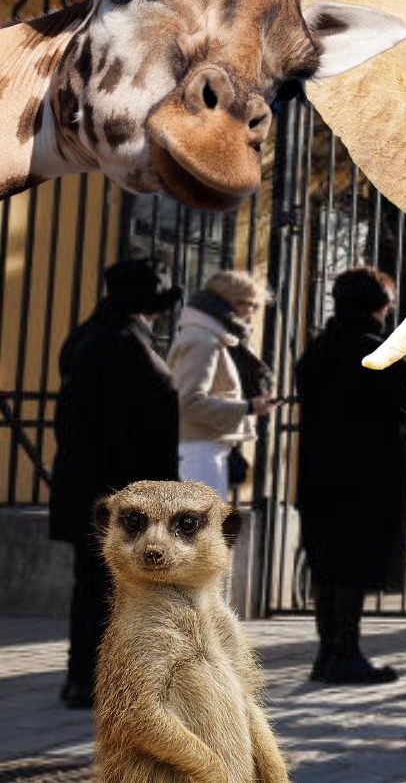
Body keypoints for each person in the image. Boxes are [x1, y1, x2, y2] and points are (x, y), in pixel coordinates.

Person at [48, 257, 182, 709]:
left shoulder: (89, 335)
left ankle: (85, 677)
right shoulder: (123, 343)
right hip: (118, 489)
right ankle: (97, 680)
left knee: (98, 583)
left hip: (90, 484)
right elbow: (130, 429)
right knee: (113, 587)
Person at [295, 266, 406, 684]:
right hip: (365, 477)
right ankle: (345, 653)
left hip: (317, 474)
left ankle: (327, 651)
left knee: (326, 564)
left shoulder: (318, 350)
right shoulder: (380, 352)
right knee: (352, 564)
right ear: (380, 307)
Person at [168, 270, 272, 498]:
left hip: (204, 447)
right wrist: (248, 407)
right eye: (251, 305)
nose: (252, 312)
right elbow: (188, 402)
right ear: (233, 301)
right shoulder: (203, 340)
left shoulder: (212, 336)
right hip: (199, 450)